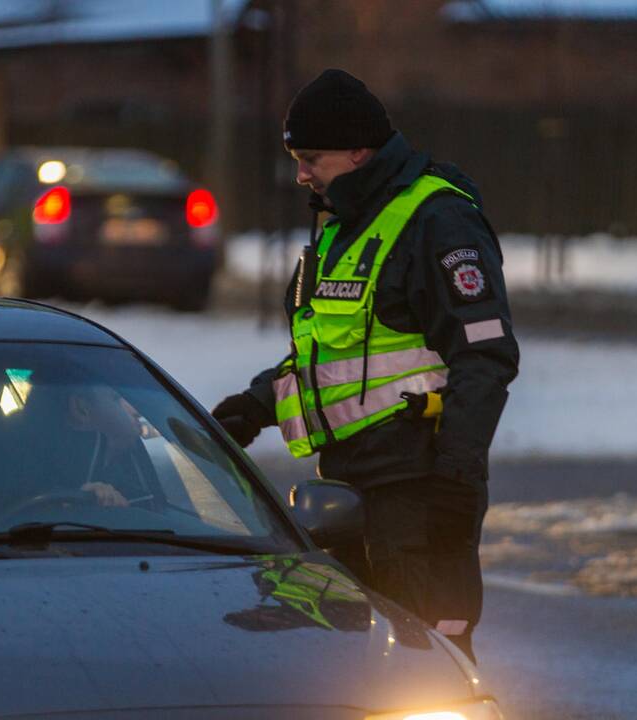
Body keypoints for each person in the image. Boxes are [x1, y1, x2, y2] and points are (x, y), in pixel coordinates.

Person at [211, 69, 519, 663]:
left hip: (419, 490)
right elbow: (331, 353)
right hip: (349, 487)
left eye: (311, 158)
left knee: (427, 664)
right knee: (350, 669)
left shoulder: (436, 219)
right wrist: (254, 407)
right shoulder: (344, 228)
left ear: (359, 151)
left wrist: (456, 471)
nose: (301, 173)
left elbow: (484, 353)